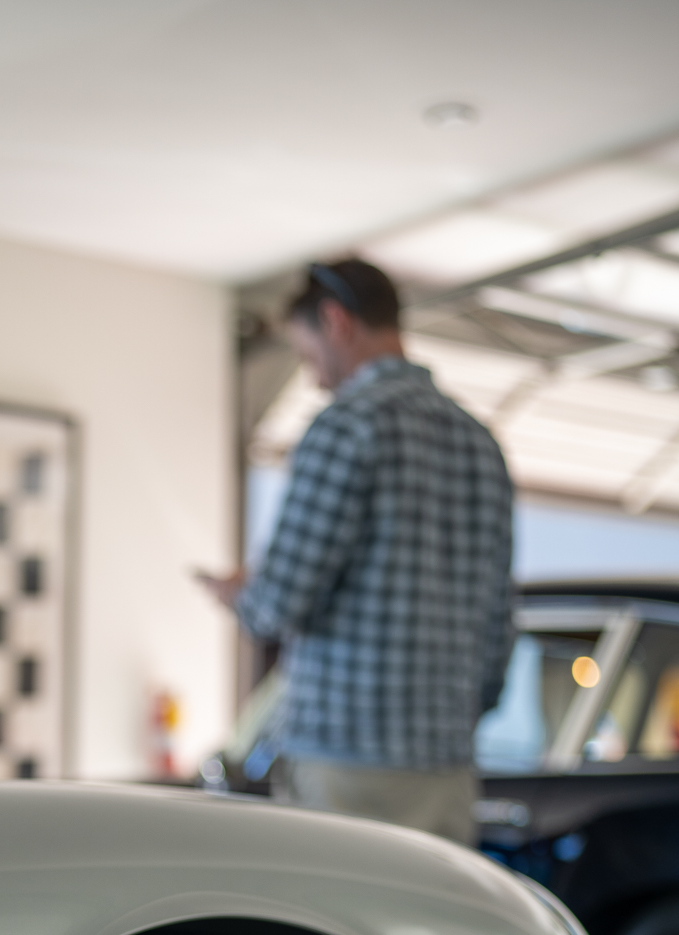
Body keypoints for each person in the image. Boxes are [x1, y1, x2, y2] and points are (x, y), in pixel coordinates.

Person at [199, 259, 513, 844]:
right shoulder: (480, 442)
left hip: (344, 758)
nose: (316, 378)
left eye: (308, 354)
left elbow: (278, 605)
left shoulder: (346, 427)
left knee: (333, 927)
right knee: (433, 927)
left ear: (336, 321)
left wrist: (238, 593)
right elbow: (498, 624)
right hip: (445, 762)